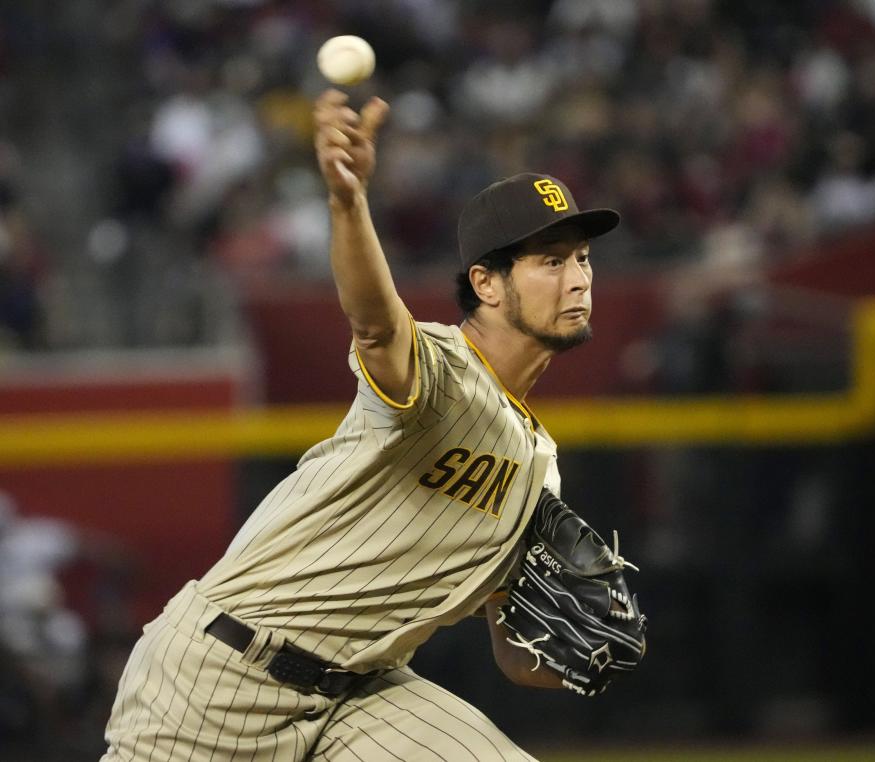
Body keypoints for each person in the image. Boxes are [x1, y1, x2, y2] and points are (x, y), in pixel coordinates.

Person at [101, 88, 621, 761]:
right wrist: (348, 202)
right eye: (551, 260)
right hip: (221, 674)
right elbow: (377, 326)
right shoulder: (440, 368)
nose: (578, 277)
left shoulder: (538, 466)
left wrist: (579, 651)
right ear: (487, 283)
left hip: (362, 698)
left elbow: (520, 660)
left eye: (582, 258)